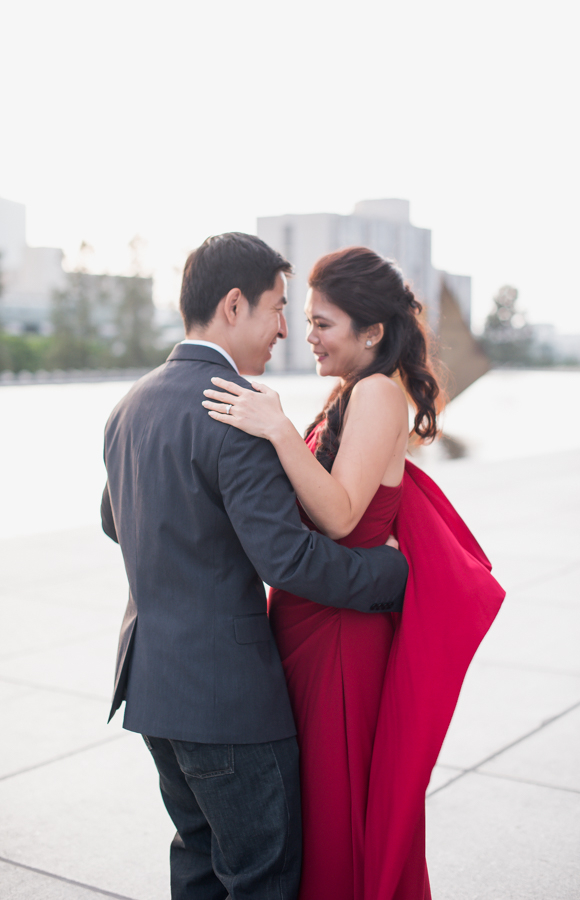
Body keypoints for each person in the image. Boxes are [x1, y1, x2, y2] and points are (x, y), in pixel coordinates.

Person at [100, 233, 409, 900]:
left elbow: (112, 518)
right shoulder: (235, 410)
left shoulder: (132, 404)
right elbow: (288, 558)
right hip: (226, 699)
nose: (282, 330)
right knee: (260, 877)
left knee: (199, 861)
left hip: (152, 685)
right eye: (276, 308)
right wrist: (393, 576)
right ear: (234, 305)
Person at [202, 246, 506, 900]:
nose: (302, 335)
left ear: (370, 331)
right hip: (310, 621)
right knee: (310, 813)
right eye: (304, 319)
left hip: (340, 639)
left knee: (335, 813)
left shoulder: (375, 393)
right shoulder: (347, 392)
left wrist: (279, 430)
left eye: (321, 323)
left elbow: (339, 516)